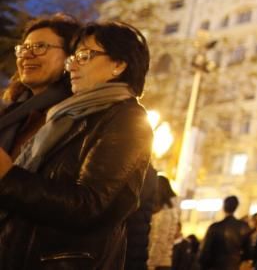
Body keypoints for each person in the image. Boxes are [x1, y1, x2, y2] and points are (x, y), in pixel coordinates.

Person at [0, 20, 153, 266]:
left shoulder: (126, 119)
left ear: (118, 64)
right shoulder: (68, 115)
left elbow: (89, 205)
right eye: (73, 57)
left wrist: (8, 177)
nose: (71, 65)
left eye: (84, 56)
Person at [0, 14, 80, 156]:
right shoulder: (13, 111)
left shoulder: (75, 116)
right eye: (23, 48)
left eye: (40, 46)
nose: (26, 55)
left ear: (71, 56)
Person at [200, 195, 251, 269]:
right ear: (236, 207)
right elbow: (248, 253)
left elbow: (205, 252)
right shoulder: (244, 227)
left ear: (224, 207)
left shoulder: (214, 227)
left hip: (215, 266)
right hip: (234, 266)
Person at [148, 174, 182, 270]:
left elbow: (159, 241)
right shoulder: (170, 210)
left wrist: (150, 264)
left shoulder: (165, 213)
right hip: (163, 262)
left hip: (158, 264)